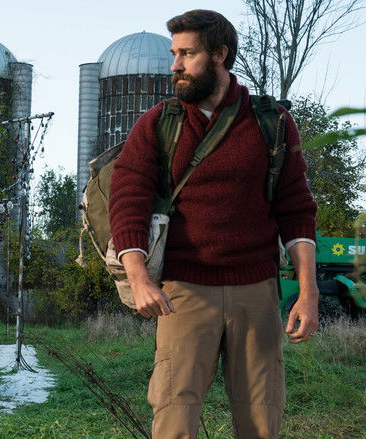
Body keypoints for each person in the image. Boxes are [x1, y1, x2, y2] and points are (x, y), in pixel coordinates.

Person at [108, 10, 319, 439]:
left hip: (256, 292)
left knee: (262, 421)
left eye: (187, 54)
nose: (175, 65)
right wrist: (139, 279)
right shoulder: (157, 124)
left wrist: (309, 293)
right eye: (174, 54)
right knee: (174, 420)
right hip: (183, 293)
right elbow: (127, 203)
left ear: (220, 54)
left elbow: (296, 209)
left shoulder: (271, 122)